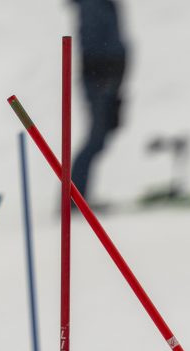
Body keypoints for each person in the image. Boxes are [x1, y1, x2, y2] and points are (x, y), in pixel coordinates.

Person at [69, 0, 130, 202]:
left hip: (107, 77)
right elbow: (95, 42)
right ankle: (74, 196)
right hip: (101, 78)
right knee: (96, 138)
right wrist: (106, 73)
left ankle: (76, 195)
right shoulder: (93, 4)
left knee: (100, 137)